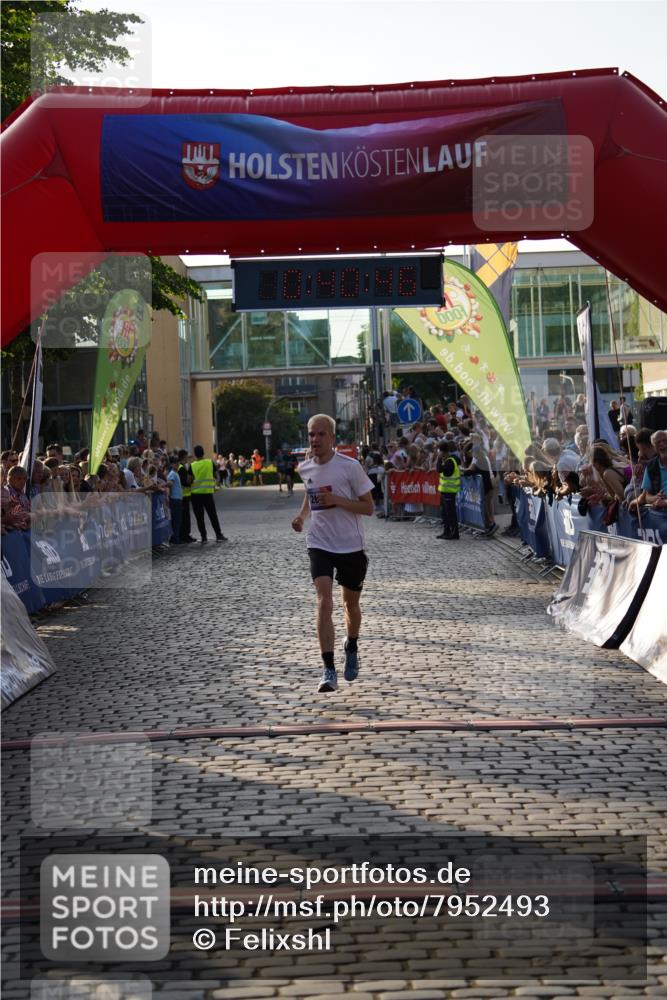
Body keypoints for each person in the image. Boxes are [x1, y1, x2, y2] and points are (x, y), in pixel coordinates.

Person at [291, 414, 374, 694]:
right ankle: (328, 669)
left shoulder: (350, 467)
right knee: (324, 602)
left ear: (332, 437)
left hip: (351, 546)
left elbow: (368, 508)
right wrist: (302, 517)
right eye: (311, 434)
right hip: (320, 544)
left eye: (320, 434)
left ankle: (351, 644)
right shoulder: (305, 467)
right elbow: (309, 495)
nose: (314, 439)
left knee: (350, 606)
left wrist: (337, 500)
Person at [190, 444, 227, 543]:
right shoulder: (210, 463)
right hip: (207, 494)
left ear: (195, 454)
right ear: (203, 453)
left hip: (195, 495)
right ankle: (218, 535)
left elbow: (189, 480)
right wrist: (217, 483)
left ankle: (204, 537)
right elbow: (217, 476)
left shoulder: (192, 465)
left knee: (199, 517)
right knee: (213, 515)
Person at [436, 441, 461, 540]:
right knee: (444, 513)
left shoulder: (450, 461)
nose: (439, 454)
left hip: (450, 491)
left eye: (440, 452)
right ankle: (446, 531)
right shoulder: (447, 460)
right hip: (444, 491)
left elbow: (440, 470)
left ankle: (454, 533)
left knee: (450, 513)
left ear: (443, 452)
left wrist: (438, 460)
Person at [166, 455, 183, 544]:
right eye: (175, 463)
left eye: (178, 462)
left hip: (177, 498)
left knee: (177, 520)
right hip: (175, 499)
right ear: (172, 464)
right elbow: (170, 484)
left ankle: (175, 537)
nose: (177, 464)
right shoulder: (172, 474)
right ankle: (175, 538)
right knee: (176, 520)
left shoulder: (175, 473)